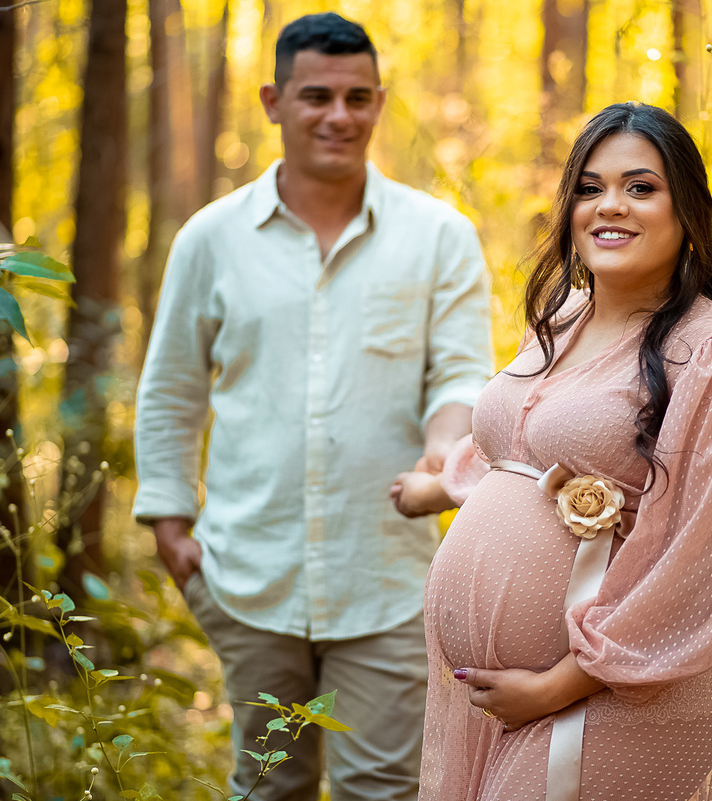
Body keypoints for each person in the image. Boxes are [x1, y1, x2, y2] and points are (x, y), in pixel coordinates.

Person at [133, 13, 493, 801]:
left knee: (383, 789)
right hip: (247, 576)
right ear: (273, 100)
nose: (340, 116)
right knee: (266, 786)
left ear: (379, 102)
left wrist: (443, 452)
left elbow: (463, 377)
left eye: (359, 97)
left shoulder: (440, 237)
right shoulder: (210, 239)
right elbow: (171, 388)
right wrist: (167, 524)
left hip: (390, 582)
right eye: (317, 96)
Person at [390, 102, 712, 801]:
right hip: (501, 707)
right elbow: (519, 455)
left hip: (609, 705)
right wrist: (437, 489)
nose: (611, 206)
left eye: (640, 187)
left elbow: (694, 561)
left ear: (687, 209)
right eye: (590, 187)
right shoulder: (561, 320)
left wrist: (552, 686)